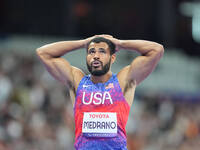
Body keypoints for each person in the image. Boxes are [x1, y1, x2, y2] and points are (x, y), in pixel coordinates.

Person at [36, 34, 164, 150]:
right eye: (91, 52)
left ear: (112, 58)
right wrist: (83, 43)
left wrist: (120, 44)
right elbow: (43, 53)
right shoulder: (77, 81)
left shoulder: (122, 81)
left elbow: (156, 50)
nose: (96, 56)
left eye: (102, 51)